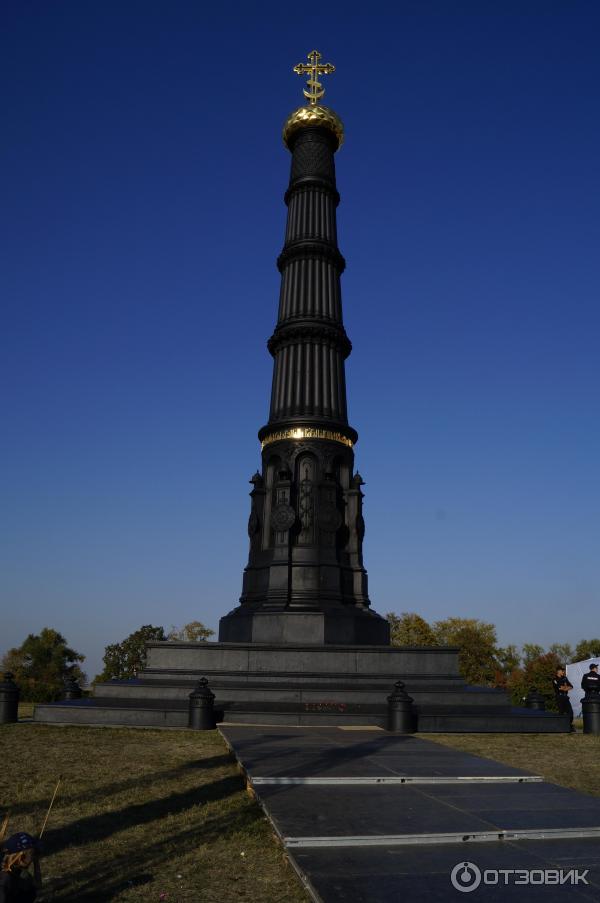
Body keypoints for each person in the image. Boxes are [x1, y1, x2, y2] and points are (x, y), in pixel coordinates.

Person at [0, 833, 41, 903]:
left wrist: (36, 862)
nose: (34, 856)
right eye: (32, 854)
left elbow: (37, 885)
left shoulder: (17, 871)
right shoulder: (5, 881)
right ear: (21, 857)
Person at [552, 666, 575, 731]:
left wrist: (564, 688)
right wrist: (565, 688)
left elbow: (571, 686)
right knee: (561, 712)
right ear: (558, 671)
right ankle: (560, 727)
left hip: (565, 697)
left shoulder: (565, 678)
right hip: (559, 697)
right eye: (562, 671)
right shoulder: (555, 679)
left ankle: (569, 725)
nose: (563, 672)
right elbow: (559, 688)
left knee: (570, 712)